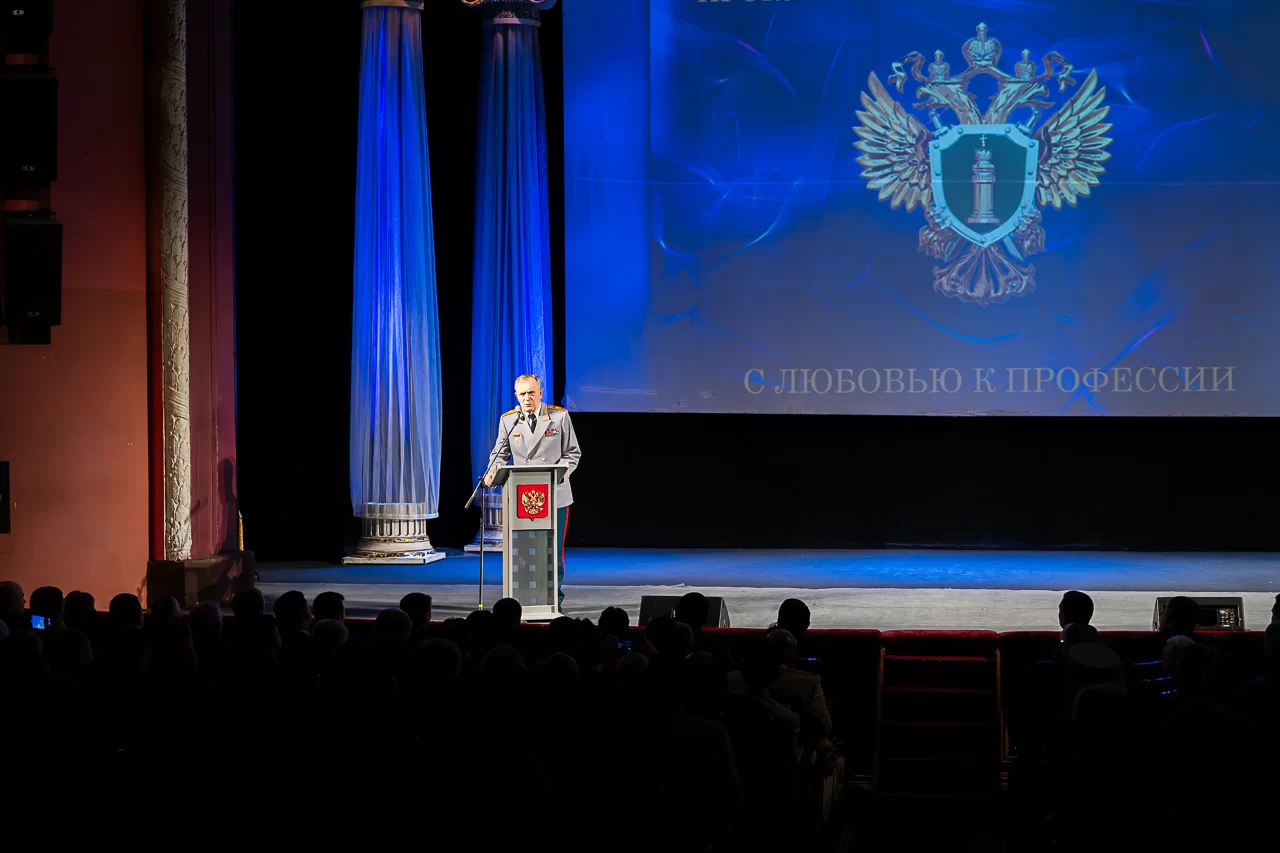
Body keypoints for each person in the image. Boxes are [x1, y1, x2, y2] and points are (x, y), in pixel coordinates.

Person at [484, 374, 582, 609]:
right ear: (516, 396)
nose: (527, 398)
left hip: (555, 495)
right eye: (522, 394)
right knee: (524, 551)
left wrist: (561, 472)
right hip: (522, 497)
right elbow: (499, 453)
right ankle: (524, 599)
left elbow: (572, 453)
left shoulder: (559, 416)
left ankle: (553, 600)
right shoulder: (509, 420)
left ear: (540, 393)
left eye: (531, 393)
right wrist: (492, 471)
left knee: (552, 551)